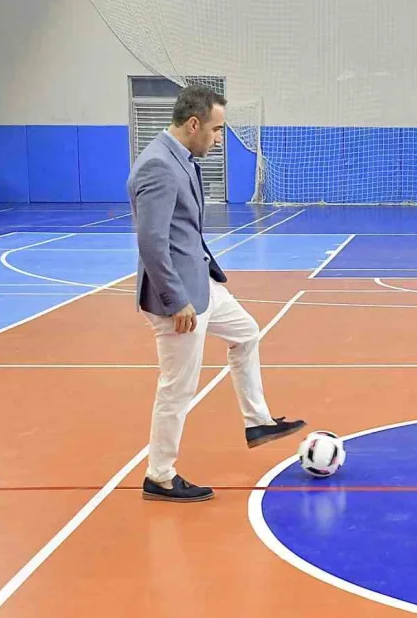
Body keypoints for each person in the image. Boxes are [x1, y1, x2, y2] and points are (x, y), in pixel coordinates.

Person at [129, 85, 306, 503]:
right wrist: (176, 301)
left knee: (245, 333)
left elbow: (184, 230)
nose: (218, 137)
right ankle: (160, 475)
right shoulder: (157, 166)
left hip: (198, 281)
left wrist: (207, 272)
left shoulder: (181, 158)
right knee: (177, 387)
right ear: (194, 124)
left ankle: (257, 421)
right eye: (216, 129)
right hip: (176, 296)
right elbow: (152, 243)